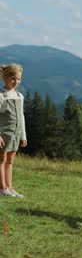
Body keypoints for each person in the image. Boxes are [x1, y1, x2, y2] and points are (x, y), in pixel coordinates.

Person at [0, 63, 27, 198]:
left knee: (10, 160)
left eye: (19, 79)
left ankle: (9, 187)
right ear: (4, 78)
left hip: (15, 134)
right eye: (13, 79)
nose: (16, 82)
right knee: (1, 159)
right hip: (4, 133)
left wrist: (23, 135)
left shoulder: (19, 96)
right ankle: (2, 187)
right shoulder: (2, 96)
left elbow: (21, 116)